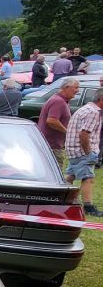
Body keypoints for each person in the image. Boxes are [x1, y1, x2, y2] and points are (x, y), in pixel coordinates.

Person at [63, 88, 102, 216]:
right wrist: (89, 153)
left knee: (70, 176)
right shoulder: (94, 112)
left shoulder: (85, 109)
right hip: (81, 151)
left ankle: (56, 196)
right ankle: (88, 207)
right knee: (88, 178)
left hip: (73, 149)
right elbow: (84, 134)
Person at [37, 78, 79, 168]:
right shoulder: (58, 101)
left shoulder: (60, 100)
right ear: (67, 87)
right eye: (76, 88)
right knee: (55, 174)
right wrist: (67, 132)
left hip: (52, 145)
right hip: (52, 146)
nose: (77, 91)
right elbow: (51, 120)